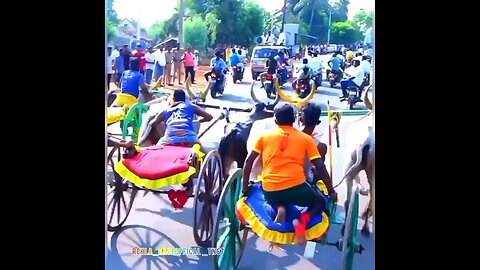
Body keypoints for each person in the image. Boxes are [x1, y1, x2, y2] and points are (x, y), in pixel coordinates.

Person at [242, 104, 336, 244]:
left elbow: (248, 163)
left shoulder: (264, 137)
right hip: (296, 187)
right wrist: (331, 190)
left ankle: (280, 207)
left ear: (275, 121)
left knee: (271, 193)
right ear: (294, 119)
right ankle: (302, 221)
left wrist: (245, 189)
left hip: (270, 189)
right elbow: (320, 167)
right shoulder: (307, 139)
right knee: (320, 201)